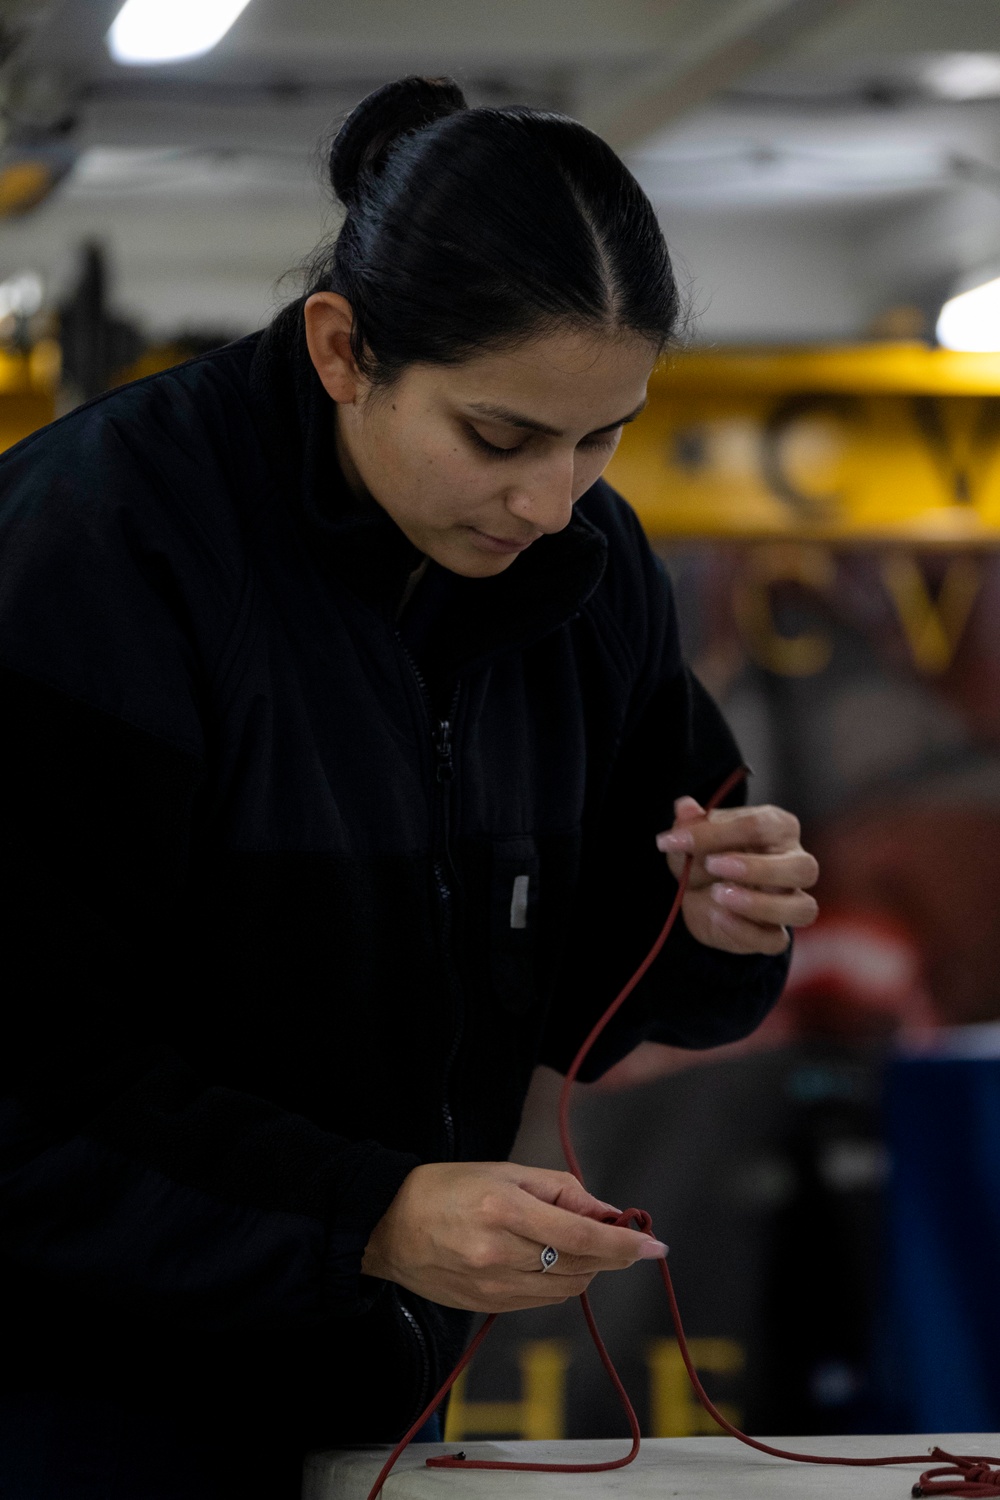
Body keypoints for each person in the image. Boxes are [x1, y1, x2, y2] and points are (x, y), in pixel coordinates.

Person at [0, 77, 818, 1499]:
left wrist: (714, 920)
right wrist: (365, 1214)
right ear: (341, 349)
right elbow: (24, 1083)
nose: (551, 503)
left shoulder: (582, 573)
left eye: (602, 435)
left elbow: (596, 978)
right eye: (500, 439)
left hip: (372, 1386)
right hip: (59, 1392)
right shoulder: (92, 558)